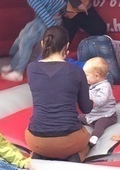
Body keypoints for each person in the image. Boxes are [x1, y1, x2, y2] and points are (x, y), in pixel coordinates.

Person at [25, 26, 93, 162]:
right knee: (88, 137)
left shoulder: (31, 68)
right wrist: (94, 101)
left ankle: (40, 154)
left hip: (36, 139)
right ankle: (76, 157)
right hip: (69, 140)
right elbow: (86, 108)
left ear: (43, 44)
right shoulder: (76, 71)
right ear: (67, 46)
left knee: (37, 135)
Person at [2, 0, 66, 82]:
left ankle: (18, 72)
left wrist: (53, 29)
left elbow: (44, 14)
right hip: (46, 17)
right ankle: (14, 64)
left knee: (26, 42)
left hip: (49, 19)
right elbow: (55, 0)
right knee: (23, 34)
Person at [80, 57, 117, 146]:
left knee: (100, 124)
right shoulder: (92, 85)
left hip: (106, 115)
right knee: (79, 117)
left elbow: (102, 100)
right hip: (93, 115)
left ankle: (94, 137)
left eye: (87, 75)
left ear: (97, 76)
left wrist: (90, 102)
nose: (85, 78)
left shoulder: (105, 86)